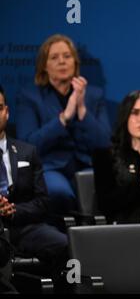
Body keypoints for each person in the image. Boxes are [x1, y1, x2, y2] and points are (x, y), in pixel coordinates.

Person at [16, 34, 111, 216]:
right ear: (44, 65)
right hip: (51, 167)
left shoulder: (94, 95)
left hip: (87, 164)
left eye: (67, 56)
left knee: (103, 190)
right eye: (54, 57)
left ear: (75, 62)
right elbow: (27, 146)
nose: (62, 62)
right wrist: (64, 118)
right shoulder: (30, 97)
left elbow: (105, 143)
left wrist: (82, 109)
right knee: (59, 193)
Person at [0, 85, 68, 282]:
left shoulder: (27, 152)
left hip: (23, 227)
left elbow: (42, 202)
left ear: (7, 112)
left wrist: (13, 210)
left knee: (65, 244)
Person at [93, 90, 140, 224]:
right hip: (121, 229)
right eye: (135, 112)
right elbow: (105, 205)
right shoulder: (105, 156)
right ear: (125, 116)